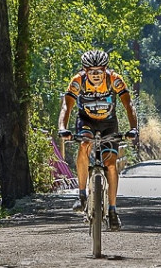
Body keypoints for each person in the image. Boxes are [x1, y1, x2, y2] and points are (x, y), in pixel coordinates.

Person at [58, 50, 138, 231]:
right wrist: (62, 128)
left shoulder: (114, 80)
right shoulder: (77, 81)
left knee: (110, 164)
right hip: (86, 121)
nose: (95, 75)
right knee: (85, 144)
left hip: (109, 124)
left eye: (99, 71)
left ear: (105, 70)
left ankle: (113, 210)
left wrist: (134, 128)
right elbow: (66, 106)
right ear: (85, 71)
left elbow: (128, 104)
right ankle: (81, 195)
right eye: (91, 71)